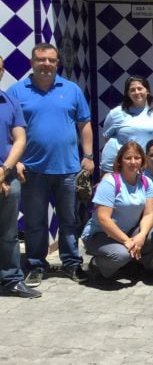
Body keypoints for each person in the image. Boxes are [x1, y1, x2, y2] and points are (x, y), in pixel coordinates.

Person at [8, 43, 94, 286]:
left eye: (51, 60)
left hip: (68, 169)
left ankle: (72, 263)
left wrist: (87, 156)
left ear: (58, 63)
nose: (46, 64)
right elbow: (8, 131)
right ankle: (36, 265)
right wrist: (16, 162)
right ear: (32, 62)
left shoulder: (72, 90)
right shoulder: (17, 91)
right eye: (41, 60)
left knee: (69, 219)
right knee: (35, 222)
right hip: (31, 170)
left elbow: (84, 124)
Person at [81, 142, 153, 279]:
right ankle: (97, 265)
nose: (133, 162)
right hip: (101, 234)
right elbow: (104, 219)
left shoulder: (146, 182)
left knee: (151, 236)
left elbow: (149, 213)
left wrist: (141, 235)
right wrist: (127, 241)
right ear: (120, 161)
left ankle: (130, 266)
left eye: (137, 158)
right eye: (128, 158)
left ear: (142, 160)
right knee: (121, 254)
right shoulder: (110, 182)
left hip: (128, 231)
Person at [0, 57, 39, 297]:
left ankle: (11, 279)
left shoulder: (10, 101)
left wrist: (4, 170)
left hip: (7, 176)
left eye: (0, 68)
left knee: (8, 233)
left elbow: (20, 139)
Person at [100, 76, 153, 174]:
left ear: (147, 90)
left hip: (152, 167)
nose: (137, 92)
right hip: (123, 169)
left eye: (140, 88)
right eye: (132, 90)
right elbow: (107, 139)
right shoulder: (116, 113)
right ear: (128, 94)